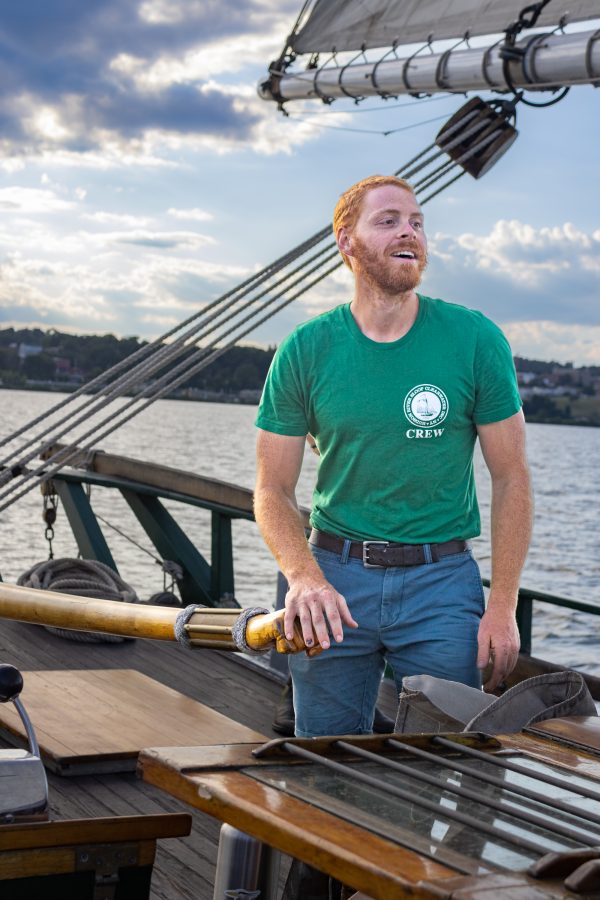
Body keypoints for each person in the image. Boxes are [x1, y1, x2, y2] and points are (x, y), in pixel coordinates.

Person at [254, 174, 533, 741]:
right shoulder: (305, 349)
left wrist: (503, 604)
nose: (409, 232)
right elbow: (272, 489)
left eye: (416, 222)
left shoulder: (474, 339)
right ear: (347, 242)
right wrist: (303, 579)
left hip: (441, 584)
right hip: (333, 578)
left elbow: (511, 477)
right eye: (388, 221)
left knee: (443, 763)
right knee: (326, 757)